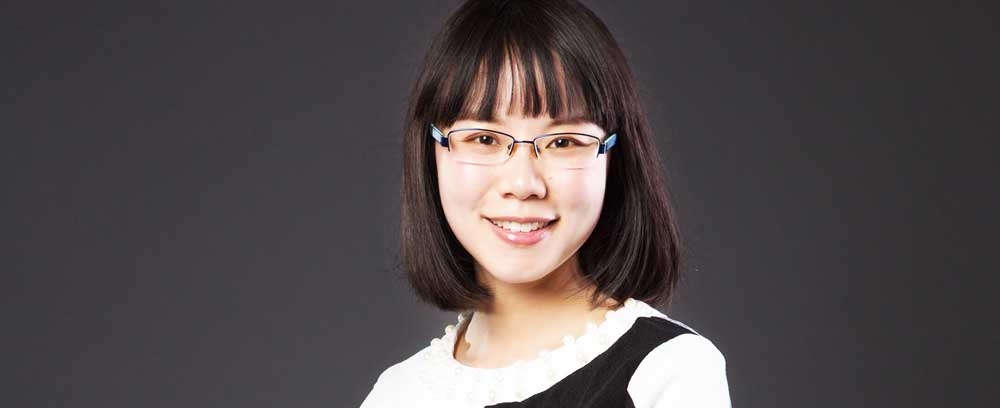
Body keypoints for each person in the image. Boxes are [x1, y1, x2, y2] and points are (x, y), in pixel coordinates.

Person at [361, 0, 731, 406]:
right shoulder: (398, 393)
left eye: (563, 142)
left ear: (614, 157)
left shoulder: (667, 371)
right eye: (484, 139)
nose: (523, 184)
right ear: (430, 151)